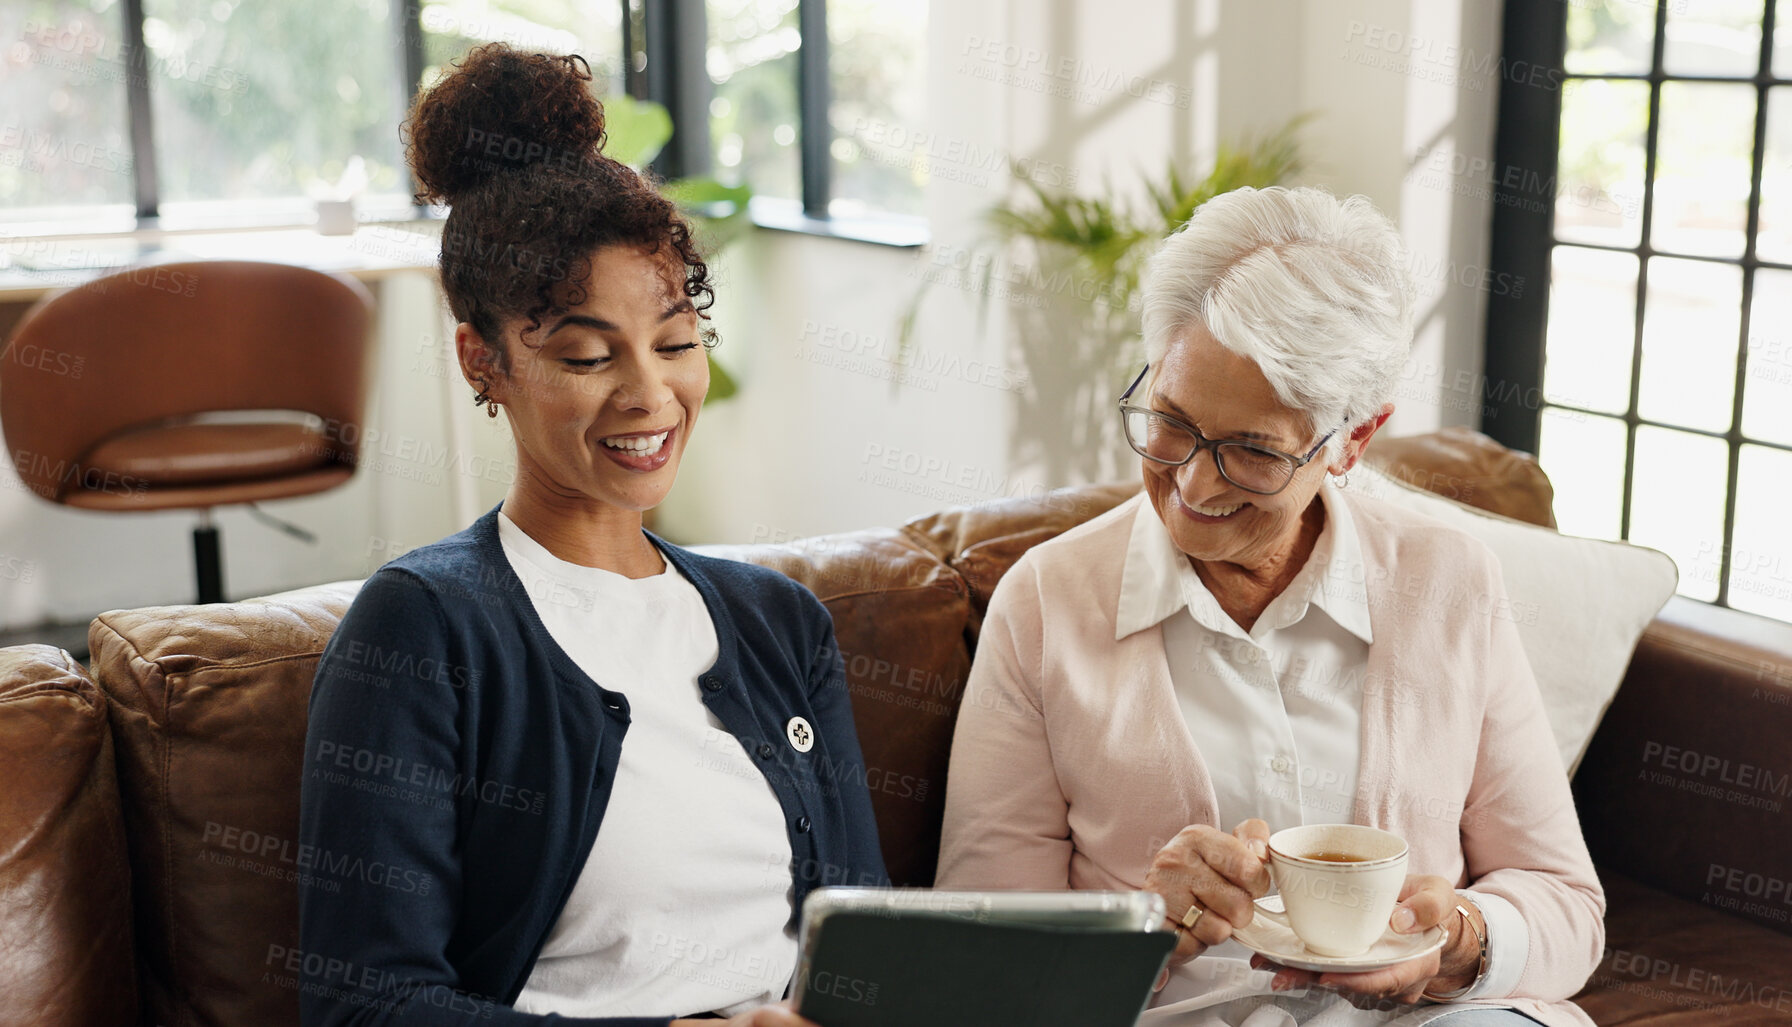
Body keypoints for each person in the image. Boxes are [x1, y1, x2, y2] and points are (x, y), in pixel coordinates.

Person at [298, 44, 883, 1027]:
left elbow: (871, 947)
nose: (649, 395)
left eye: (676, 342)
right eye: (584, 354)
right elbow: (362, 1005)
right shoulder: (426, 628)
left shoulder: (784, 625)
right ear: (482, 361)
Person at [937, 185, 1604, 1026]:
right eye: (1171, 422)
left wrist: (1458, 939)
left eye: (1252, 451)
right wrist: (1144, 931)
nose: (1191, 482)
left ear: (1353, 439)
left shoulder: (1448, 580)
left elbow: (1563, 901)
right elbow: (978, 954)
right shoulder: (1046, 600)